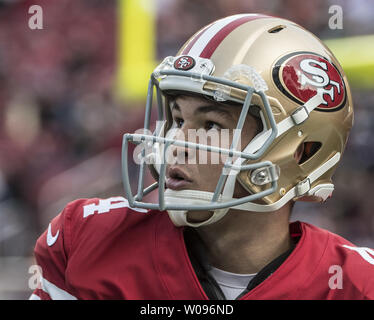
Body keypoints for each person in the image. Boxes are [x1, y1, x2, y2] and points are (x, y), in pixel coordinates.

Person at [30, 13, 374, 300]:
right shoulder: (90, 242)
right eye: (178, 118)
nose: (177, 142)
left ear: (301, 152)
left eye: (211, 124)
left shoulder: (355, 285)